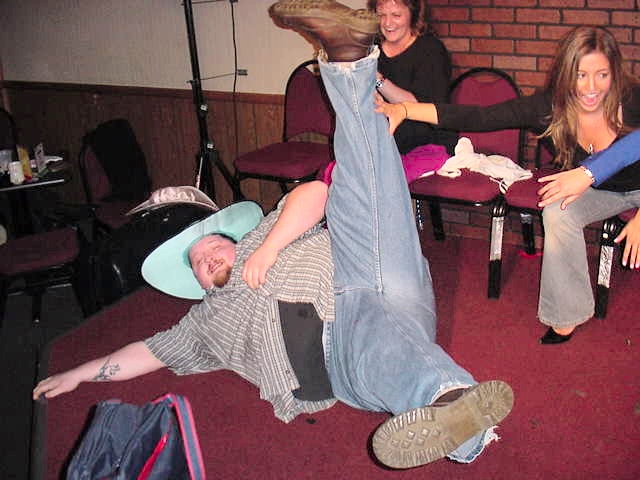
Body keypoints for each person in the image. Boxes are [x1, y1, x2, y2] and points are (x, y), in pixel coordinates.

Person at [33, 0, 514, 470]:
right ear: (196, 285)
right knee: (381, 341)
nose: (208, 257)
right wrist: (80, 373)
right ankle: (454, 403)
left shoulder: (262, 235)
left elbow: (314, 194)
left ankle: (348, 56)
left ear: (232, 238)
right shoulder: (206, 323)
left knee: (360, 183)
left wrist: (267, 248)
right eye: (199, 263)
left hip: (370, 262)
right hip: (340, 340)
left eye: (212, 245)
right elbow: (147, 352)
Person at [377, 25, 640, 344]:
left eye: (602, 75)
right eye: (580, 75)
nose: (591, 87)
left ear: (615, 73)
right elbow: (478, 117)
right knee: (556, 209)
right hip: (600, 190)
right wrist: (406, 109)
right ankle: (567, 314)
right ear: (565, 74)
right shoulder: (548, 108)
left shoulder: (633, 100)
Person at [537, 129, 640, 268]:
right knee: (558, 212)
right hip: (608, 185)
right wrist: (589, 174)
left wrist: (589, 172)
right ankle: (568, 283)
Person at [369, 0, 457, 155]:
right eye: (381, 15)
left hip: (426, 146)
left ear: (413, 14)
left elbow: (418, 107)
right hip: (383, 143)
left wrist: (377, 79)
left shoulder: (431, 49)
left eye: (396, 15)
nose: (387, 23)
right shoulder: (371, 48)